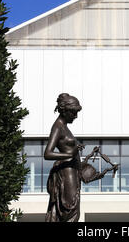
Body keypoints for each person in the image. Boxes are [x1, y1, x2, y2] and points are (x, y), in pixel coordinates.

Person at [44, 93, 84, 222]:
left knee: (73, 210)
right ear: (64, 110)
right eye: (73, 112)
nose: (76, 116)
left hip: (72, 172)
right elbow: (48, 153)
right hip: (66, 173)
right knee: (70, 210)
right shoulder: (58, 127)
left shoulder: (64, 127)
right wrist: (69, 154)